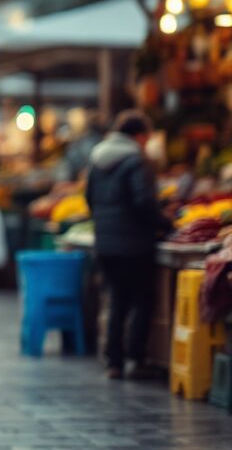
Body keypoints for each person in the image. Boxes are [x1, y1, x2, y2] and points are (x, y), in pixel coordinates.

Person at [85, 110, 174, 380]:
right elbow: (143, 202)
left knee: (117, 300)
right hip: (134, 243)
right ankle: (136, 358)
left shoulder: (97, 160)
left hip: (105, 243)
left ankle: (114, 362)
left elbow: (89, 199)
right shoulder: (137, 161)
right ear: (138, 135)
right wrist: (164, 222)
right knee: (142, 300)